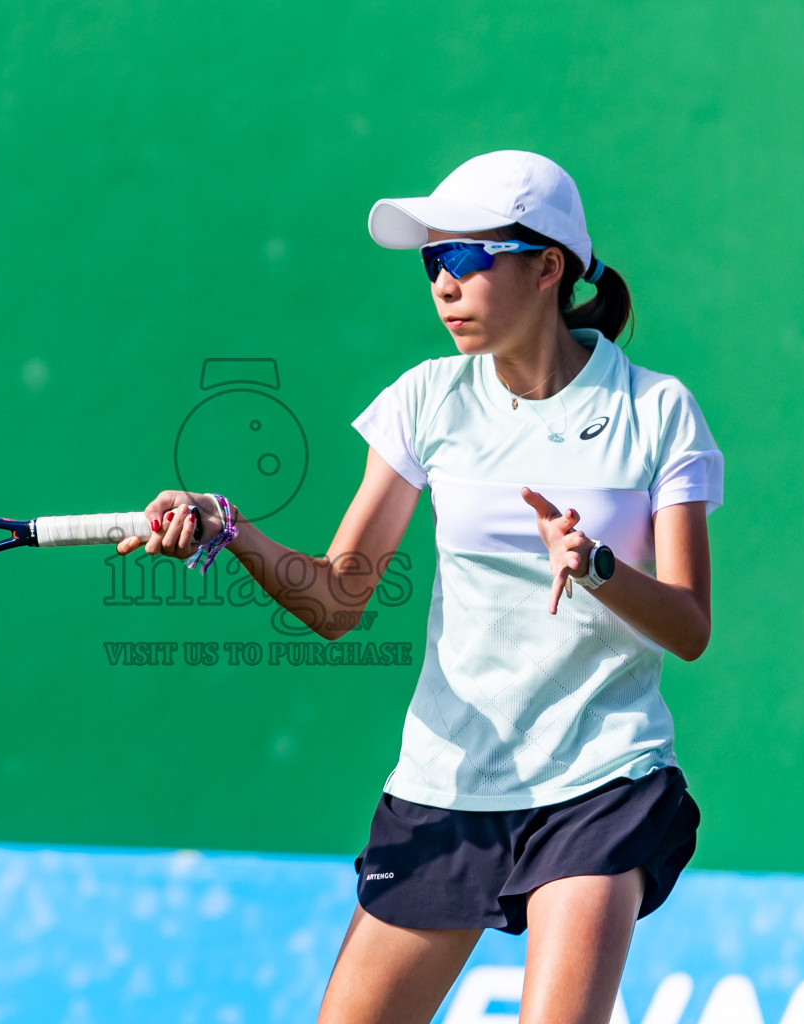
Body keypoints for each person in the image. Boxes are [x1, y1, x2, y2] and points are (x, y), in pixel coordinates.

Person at [117, 150, 722, 1024]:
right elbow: (336, 600)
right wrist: (232, 529)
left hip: (601, 778)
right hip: (447, 784)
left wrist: (596, 567)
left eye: (466, 258)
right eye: (430, 262)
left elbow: (690, 624)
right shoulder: (425, 401)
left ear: (547, 266)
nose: (442, 283)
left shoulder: (657, 409)